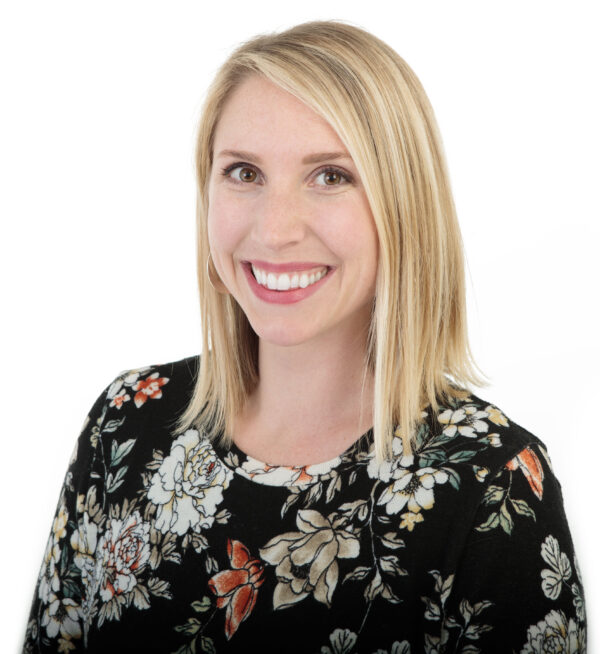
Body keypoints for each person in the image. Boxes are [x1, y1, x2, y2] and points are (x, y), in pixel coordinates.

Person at [23, 20, 586, 654]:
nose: (275, 228)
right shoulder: (125, 425)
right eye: (243, 172)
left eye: (330, 176)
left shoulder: (495, 485)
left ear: (403, 203)